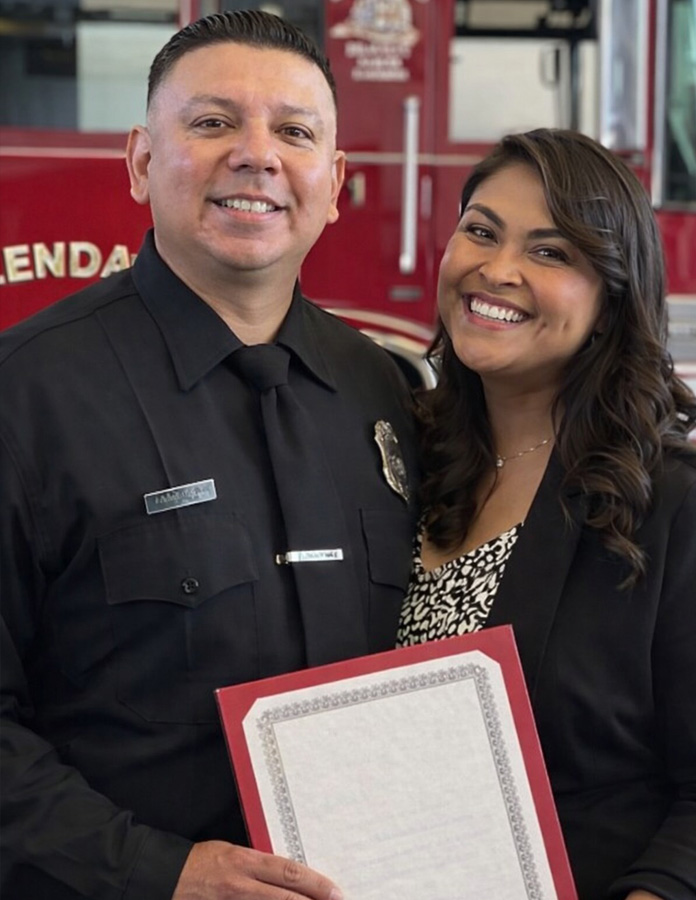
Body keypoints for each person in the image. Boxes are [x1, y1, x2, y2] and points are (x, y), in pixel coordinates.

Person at [0, 11, 418, 900]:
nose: (257, 155)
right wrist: (161, 874)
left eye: (295, 132)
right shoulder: (24, 396)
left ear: (335, 180)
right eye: (213, 122)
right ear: (143, 161)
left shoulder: (387, 392)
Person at [397, 129, 696, 900]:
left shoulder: (672, 504)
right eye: (481, 231)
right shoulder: (393, 453)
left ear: (610, 299)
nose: (497, 271)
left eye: (551, 252)